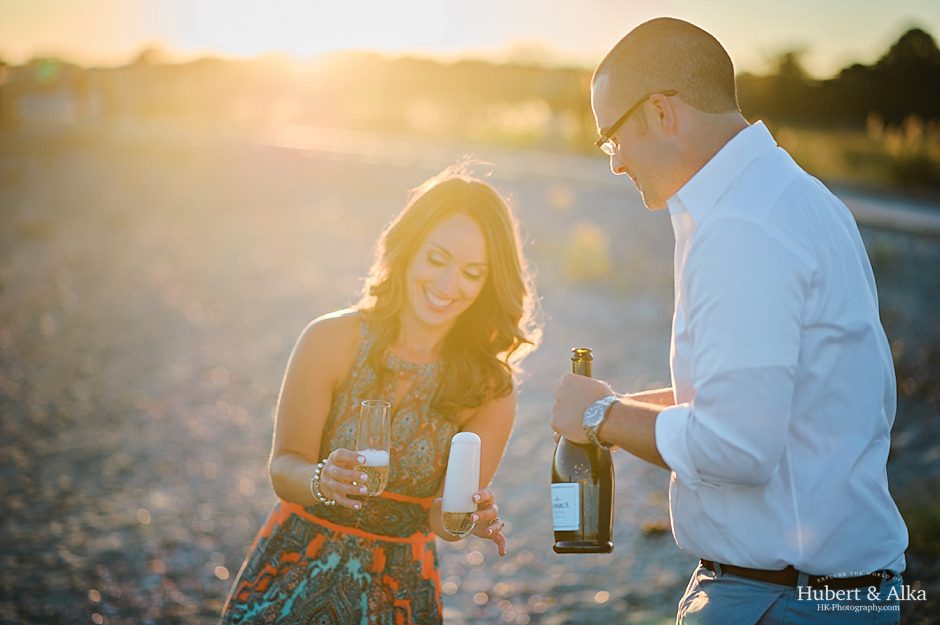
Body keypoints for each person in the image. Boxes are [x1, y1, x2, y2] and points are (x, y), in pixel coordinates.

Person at [550, 17, 908, 624]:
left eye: (612, 138)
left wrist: (599, 417)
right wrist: (616, 407)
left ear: (661, 114)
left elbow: (737, 445)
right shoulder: (797, 197)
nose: (614, 163)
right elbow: (756, 396)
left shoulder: (741, 227)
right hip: (831, 594)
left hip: (783, 600)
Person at [221, 164, 540, 624]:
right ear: (408, 249)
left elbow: (441, 522)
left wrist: (466, 517)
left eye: (472, 272)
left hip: (399, 591)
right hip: (291, 575)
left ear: (490, 283)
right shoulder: (331, 339)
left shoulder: (490, 389)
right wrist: (319, 480)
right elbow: (284, 464)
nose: (449, 286)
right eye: (436, 260)